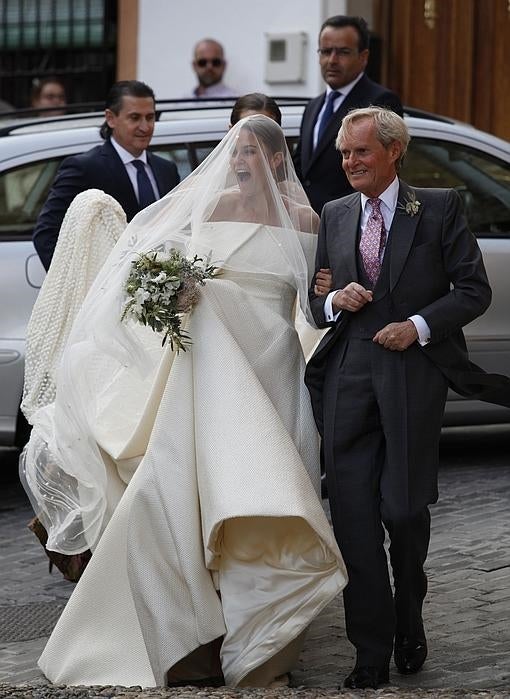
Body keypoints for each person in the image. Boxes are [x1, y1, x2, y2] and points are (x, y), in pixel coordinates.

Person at [20, 114, 347, 688]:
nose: (239, 160)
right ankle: (186, 631)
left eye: (250, 152)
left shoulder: (308, 219)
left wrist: (325, 293)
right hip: (213, 362)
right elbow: (164, 260)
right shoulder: (212, 205)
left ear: (274, 159)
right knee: (190, 483)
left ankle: (262, 631)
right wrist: (176, 289)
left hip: (272, 361)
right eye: (236, 151)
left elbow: (311, 300)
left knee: (264, 484)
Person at [305, 106, 510, 690]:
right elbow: (313, 300)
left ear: (395, 151)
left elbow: (473, 289)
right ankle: (368, 651)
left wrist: (418, 325)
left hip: (412, 375)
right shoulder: (335, 213)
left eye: (361, 152)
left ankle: (409, 618)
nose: (349, 163)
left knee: (403, 510)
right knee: (354, 520)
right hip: (348, 376)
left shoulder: (440, 207)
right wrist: (331, 302)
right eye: (344, 154)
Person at [33, 80, 180, 271]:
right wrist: (82, 286)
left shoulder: (166, 170)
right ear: (111, 118)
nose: (145, 127)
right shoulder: (84, 168)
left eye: (150, 117)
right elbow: (47, 234)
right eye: (135, 118)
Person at [293, 15, 403, 214]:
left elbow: (384, 169)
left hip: (352, 225)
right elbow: (302, 169)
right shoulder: (313, 106)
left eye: (343, 52)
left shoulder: (380, 102)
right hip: (307, 226)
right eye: (326, 52)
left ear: (363, 57)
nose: (332, 60)